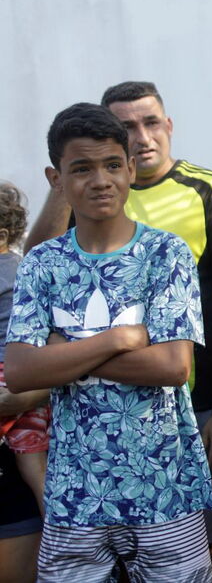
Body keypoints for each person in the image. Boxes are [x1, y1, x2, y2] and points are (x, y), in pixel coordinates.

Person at [25, 81, 212, 580]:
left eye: (150, 124)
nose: (142, 137)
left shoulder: (189, 212)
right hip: (82, 469)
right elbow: (20, 365)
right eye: (127, 127)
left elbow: (188, 349)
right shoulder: (55, 249)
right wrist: (121, 339)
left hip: (176, 437)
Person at [0, 182, 47, 583]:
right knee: (30, 453)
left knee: (30, 456)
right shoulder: (23, 268)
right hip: (26, 372)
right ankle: (58, 523)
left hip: (9, 371)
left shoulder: (13, 271)